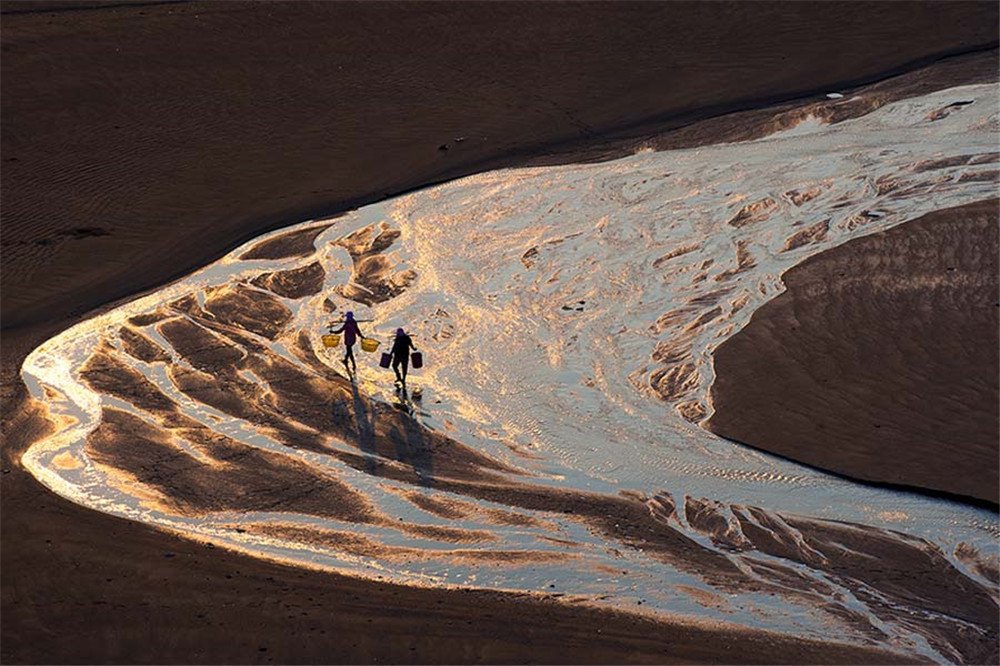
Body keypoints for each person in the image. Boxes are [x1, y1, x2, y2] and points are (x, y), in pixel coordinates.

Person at [332, 311, 367, 375]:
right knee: (349, 350)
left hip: (348, 339)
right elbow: (357, 330)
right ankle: (346, 360)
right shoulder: (353, 322)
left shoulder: (348, 323)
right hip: (353, 339)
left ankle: (353, 365)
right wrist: (361, 336)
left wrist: (334, 332)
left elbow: (341, 330)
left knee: (349, 351)